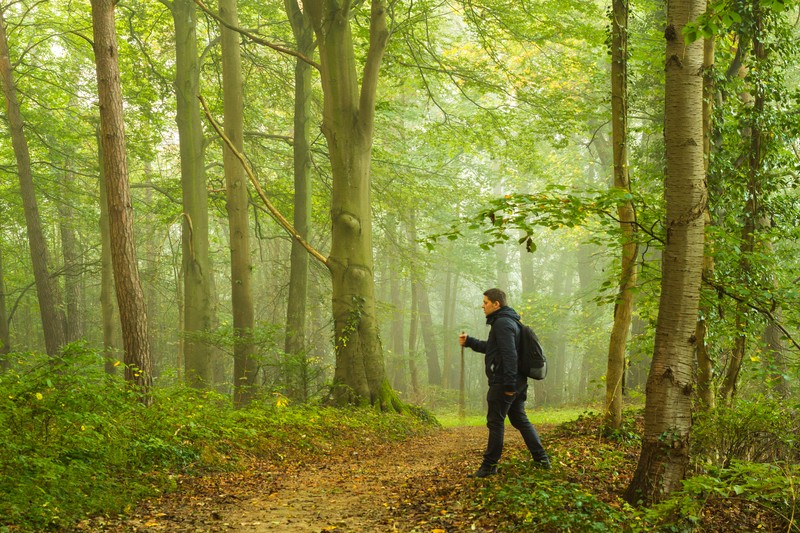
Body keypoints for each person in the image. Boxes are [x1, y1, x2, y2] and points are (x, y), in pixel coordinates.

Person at [459, 288, 550, 478]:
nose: (482, 306)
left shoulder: (502, 323)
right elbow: (494, 349)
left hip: (504, 382)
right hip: (516, 381)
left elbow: (510, 355)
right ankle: (542, 460)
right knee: (519, 420)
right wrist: (470, 342)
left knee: (495, 422)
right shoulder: (509, 322)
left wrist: (508, 386)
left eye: (485, 302)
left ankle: (489, 465)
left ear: (496, 304)